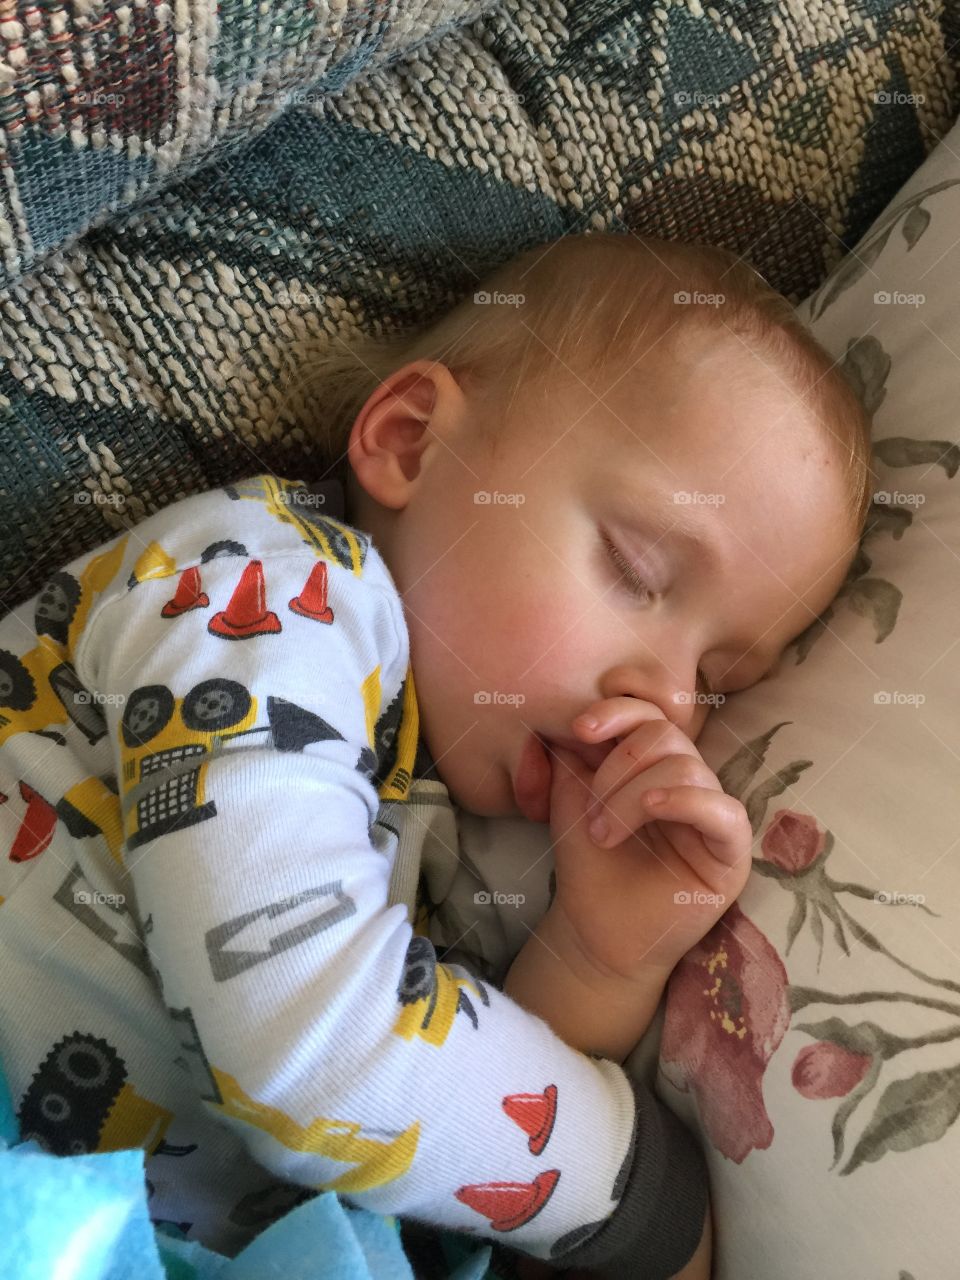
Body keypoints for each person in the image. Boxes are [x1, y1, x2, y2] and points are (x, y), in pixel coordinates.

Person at [0, 232, 873, 1278]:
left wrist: (601, 950)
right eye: (638, 571)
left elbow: (442, 1152)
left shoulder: (454, 808)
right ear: (412, 441)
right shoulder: (265, 589)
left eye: (720, 676)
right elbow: (309, 1040)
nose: (673, 699)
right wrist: (640, 1192)